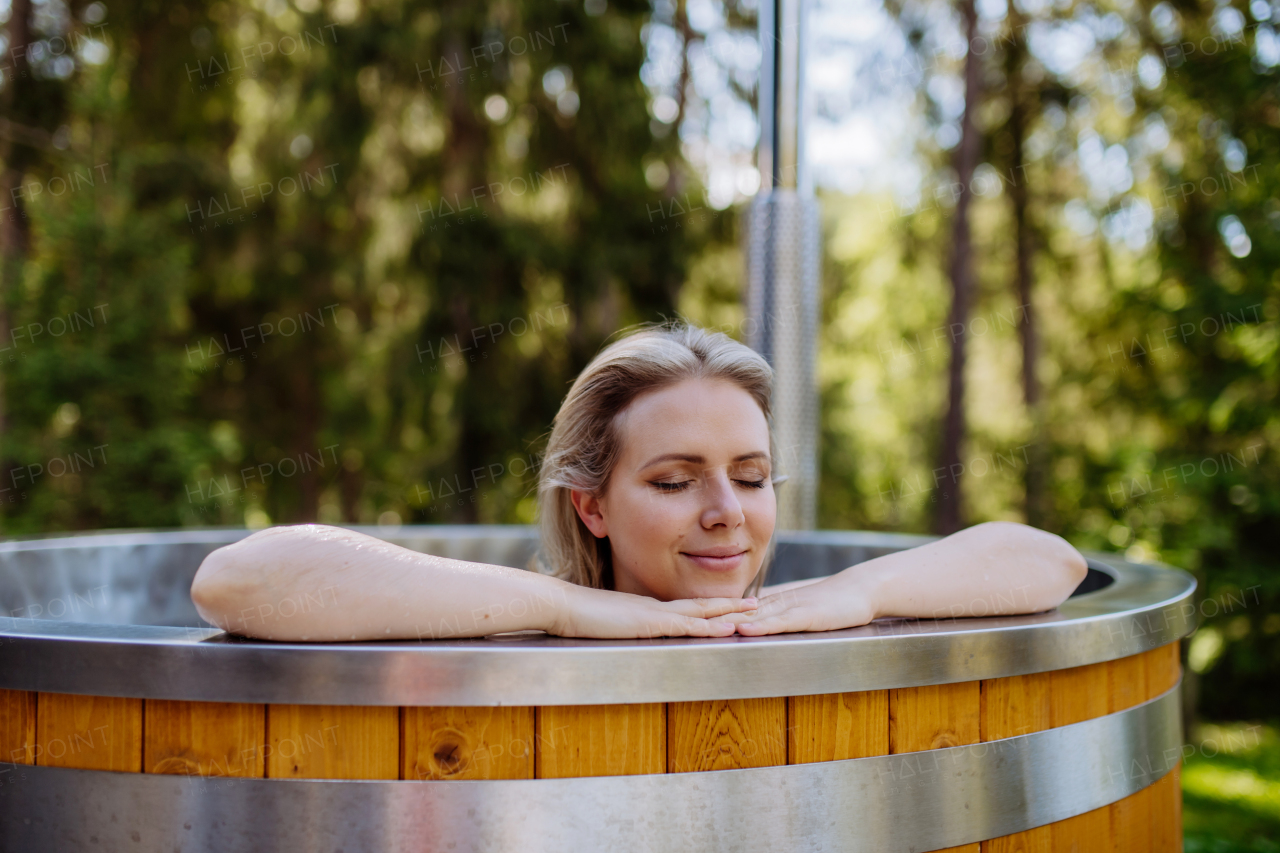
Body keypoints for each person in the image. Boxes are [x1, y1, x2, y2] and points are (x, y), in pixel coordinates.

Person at [190, 322, 1087, 642]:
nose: (727, 513)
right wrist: (567, 609)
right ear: (592, 504)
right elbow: (236, 580)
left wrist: (863, 591)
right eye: (673, 480)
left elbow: (1049, 561)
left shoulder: (796, 614)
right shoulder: (531, 625)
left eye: (752, 474)